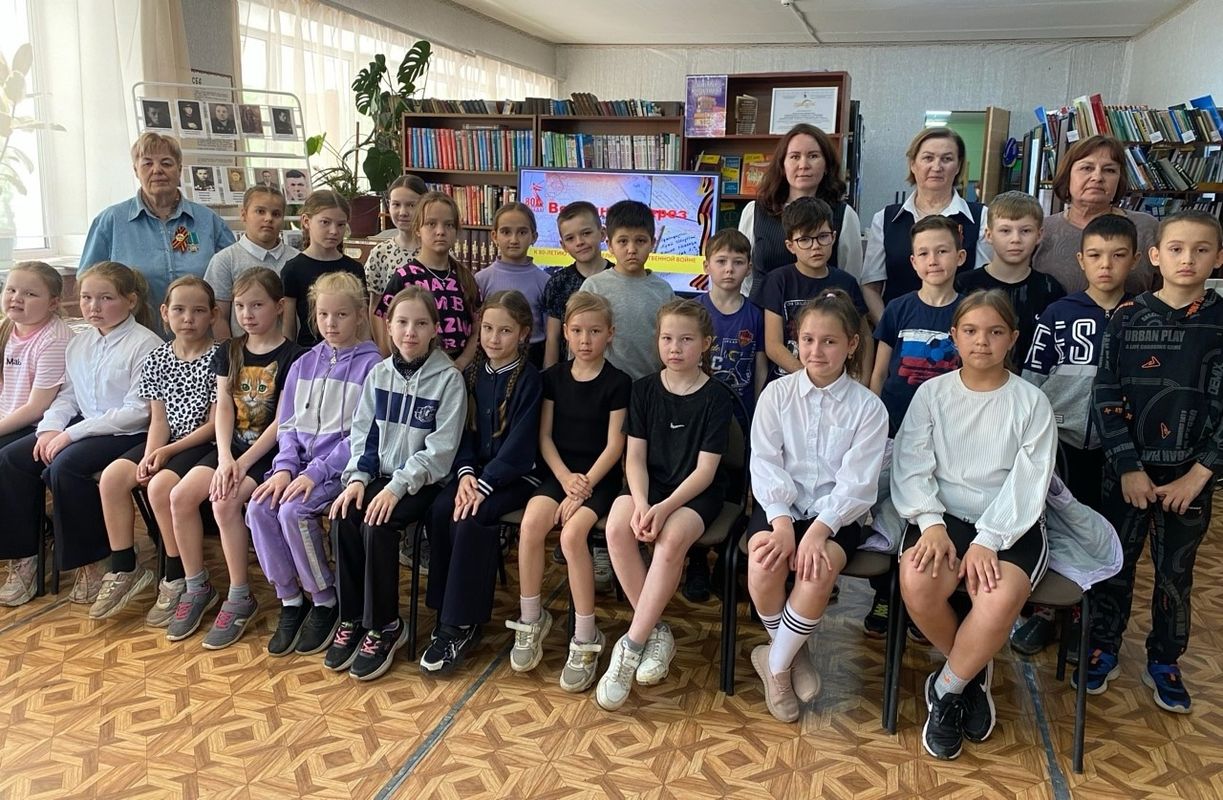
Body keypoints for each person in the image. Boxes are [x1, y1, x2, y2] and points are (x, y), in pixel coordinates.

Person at [891, 289, 1057, 761]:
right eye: (970, 331)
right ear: (954, 336)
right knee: (918, 582)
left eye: (995, 331)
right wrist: (930, 524)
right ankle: (972, 671)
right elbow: (911, 463)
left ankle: (946, 689)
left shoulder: (1031, 402)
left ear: (1013, 339)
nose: (982, 341)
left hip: (1009, 521)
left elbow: (1029, 481)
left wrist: (989, 540)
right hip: (942, 515)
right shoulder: (932, 394)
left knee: (998, 596)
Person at [1079, 211, 1223, 714]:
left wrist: (1199, 474)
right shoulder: (1127, 317)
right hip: (1126, 473)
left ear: (1218, 258)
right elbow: (1105, 393)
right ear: (1156, 256)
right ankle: (1103, 645)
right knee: (1114, 563)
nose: (1188, 259)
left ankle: (1164, 659)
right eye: (1177, 248)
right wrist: (1128, 467)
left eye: (1201, 250)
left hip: (1192, 478)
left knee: (1174, 574)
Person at [747, 290, 888, 722]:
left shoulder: (869, 408)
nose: (816, 351)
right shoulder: (777, 394)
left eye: (829, 341)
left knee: (817, 567)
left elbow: (858, 482)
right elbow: (765, 462)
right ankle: (793, 650)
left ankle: (775, 665)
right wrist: (782, 522)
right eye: (807, 340)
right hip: (781, 506)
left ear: (852, 344)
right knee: (763, 562)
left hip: (839, 513)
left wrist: (819, 529)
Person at [596, 299, 733, 711]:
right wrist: (642, 503)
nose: (675, 348)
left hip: (694, 493)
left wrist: (665, 507)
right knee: (617, 526)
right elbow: (634, 458)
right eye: (667, 338)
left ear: (705, 343)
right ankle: (657, 631)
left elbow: (706, 471)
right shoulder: (643, 389)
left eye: (686, 339)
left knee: (671, 540)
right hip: (649, 487)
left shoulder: (717, 396)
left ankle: (631, 645)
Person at [1009, 213, 1137, 656]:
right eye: (1096, 256)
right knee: (1055, 525)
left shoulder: (1141, 315)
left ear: (1136, 260)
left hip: (1118, 447)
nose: (1106, 265)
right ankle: (1045, 614)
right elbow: (1033, 379)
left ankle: (1092, 619)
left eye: (1118, 256)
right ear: (1081, 260)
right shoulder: (1059, 313)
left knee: (1105, 530)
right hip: (1061, 442)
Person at [0, 262, 161, 607]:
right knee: (12, 458)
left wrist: (70, 435)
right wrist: (50, 428)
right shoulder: (81, 343)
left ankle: (96, 561)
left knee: (65, 467)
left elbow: (138, 411)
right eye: (87, 298)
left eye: (106, 298)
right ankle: (26, 554)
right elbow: (68, 396)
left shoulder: (145, 344)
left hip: (129, 434)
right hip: (88, 428)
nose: (93, 307)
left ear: (131, 301)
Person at [327, 286, 466, 681]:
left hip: (423, 483)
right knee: (344, 515)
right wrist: (358, 479)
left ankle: (386, 625)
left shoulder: (448, 380)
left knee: (377, 524)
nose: (410, 332)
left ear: (435, 329)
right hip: (379, 475)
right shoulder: (379, 375)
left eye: (420, 324)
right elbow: (363, 434)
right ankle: (352, 618)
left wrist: (397, 487)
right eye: (402, 322)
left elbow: (440, 452)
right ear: (388, 326)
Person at [165, 268, 305, 647]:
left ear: (279, 306)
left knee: (224, 502)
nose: (246, 314)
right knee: (179, 497)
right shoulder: (229, 350)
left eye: (257, 305)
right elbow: (224, 406)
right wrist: (226, 456)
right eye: (240, 306)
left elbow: (283, 421)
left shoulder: (295, 357)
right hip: (231, 449)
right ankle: (197, 586)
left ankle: (240, 595)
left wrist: (241, 464)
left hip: (269, 454)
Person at [246, 272, 381, 657]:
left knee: (293, 511)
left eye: (341, 315)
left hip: (338, 469)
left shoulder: (372, 366)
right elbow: (287, 425)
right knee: (258, 507)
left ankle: (324, 598)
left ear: (360, 315)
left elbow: (361, 435)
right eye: (323, 315)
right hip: (297, 467)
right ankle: (291, 599)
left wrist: (314, 473)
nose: (331, 323)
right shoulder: (304, 363)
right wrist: (285, 468)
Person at [508, 291, 630, 691]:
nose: (584, 340)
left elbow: (614, 446)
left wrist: (583, 487)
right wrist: (564, 480)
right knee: (531, 525)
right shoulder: (552, 379)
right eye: (577, 331)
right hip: (560, 473)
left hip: (599, 479)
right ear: (565, 333)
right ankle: (531, 618)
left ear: (610, 334)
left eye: (594, 332)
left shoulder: (618, 383)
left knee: (574, 534)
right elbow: (544, 437)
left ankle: (585, 635)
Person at [421, 290, 542, 675]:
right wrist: (466, 474)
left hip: (516, 477)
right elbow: (460, 434)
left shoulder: (531, 380)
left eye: (504, 331)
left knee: (470, 517)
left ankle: (461, 624)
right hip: (475, 475)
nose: (493, 338)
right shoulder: (470, 375)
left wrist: (484, 484)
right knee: (441, 508)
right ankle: (444, 610)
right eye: (487, 329)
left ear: (523, 333)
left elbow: (522, 446)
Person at [89, 276, 219, 620]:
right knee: (113, 477)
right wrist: (150, 454)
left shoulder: (221, 357)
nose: (188, 318)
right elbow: (158, 420)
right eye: (179, 310)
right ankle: (125, 567)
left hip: (203, 442)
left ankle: (177, 575)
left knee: (159, 486)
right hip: (167, 441)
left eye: (198, 311)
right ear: (164, 313)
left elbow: (213, 425)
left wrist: (167, 453)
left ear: (213, 315)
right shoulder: (158, 357)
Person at [861, 215, 966, 637]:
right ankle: (885, 594)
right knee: (888, 513)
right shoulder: (898, 308)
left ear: (960, 257)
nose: (933, 260)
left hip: (949, 436)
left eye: (942, 251)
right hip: (895, 428)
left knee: (933, 515)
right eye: (924, 253)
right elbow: (879, 371)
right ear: (913, 261)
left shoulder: (969, 310)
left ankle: (927, 602)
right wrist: (873, 422)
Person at [79, 132, 235, 335]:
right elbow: (87, 282)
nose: (157, 170)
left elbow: (235, 277)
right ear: (136, 170)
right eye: (147, 164)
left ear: (180, 169)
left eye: (166, 163)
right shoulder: (111, 221)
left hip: (201, 342)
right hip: (133, 342)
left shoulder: (208, 221)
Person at [688, 228, 766, 603]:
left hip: (742, 416)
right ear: (707, 266)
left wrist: (760, 412)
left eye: (738, 262)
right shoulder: (695, 311)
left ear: (749, 267)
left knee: (736, 488)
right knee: (700, 485)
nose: (729, 269)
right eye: (721, 261)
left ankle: (726, 564)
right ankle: (697, 561)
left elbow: (761, 367)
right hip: (702, 418)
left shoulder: (755, 314)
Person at [861, 127, 992, 319]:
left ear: (958, 166)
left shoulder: (981, 217)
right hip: (898, 329)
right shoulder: (885, 219)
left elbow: (983, 286)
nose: (937, 167)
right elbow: (871, 287)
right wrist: (889, 328)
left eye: (947, 159)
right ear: (913, 164)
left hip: (958, 330)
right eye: (928, 158)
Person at [738, 123, 863, 299]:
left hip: (821, 313)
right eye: (795, 157)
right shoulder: (755, 211)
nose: (803, 165)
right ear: (783, 165)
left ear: (827, 165)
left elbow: (850, 278)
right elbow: (743, 277)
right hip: (762, 311)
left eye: (813, 156)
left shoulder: (844, 215)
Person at [759, 196, 872, 382]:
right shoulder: (777, 281)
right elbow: (773, 344)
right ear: (790, 246)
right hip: (789, 383)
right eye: (804, 239)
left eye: (822, 237)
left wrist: (863, 384)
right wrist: (809, 378)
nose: (815, 246)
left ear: (833, 237)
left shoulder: (846, 282)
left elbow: (864, 338)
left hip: (837, 384)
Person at [1032, 135, 1159, 295]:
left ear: (1120, 180)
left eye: (1109, 170)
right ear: (1067, 175)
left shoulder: (1146, 228)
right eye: (1087, 168)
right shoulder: (1040, 231)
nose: (1097, 177)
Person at [956, 192, 1065, 370]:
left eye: (1025, 231)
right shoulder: (964, 285)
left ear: (1039, 235)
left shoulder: (1050, 289)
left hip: (1031, 382)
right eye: (1005, 231)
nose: (1016, 239)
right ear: (989, 235)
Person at [376, 191, 481, 369]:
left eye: (449, 225)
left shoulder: (465, 278)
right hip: (414, 369)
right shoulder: (404, 277)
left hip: (457, 369)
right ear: (417, 229)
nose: (440, 231)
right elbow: (387, 329)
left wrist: (461, 364)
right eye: (431, 224)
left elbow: (477, 328)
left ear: (456, 231)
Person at [580, 200, 675, 380]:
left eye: (640, 241)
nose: (632, 249)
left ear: (653, 243)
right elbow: (579, 340)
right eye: (623, 241)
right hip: (604, 385)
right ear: (609, 245)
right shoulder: (593, 287)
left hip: (650, 384)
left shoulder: (663, 291)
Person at [204, 186, 298, 339]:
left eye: (276, 214)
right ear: (243, 214)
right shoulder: (225, 260)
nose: (268, 219)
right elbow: (219, 317)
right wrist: (229, 351)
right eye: (260, 211)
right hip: (242, 350)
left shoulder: (296, 259)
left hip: (291, 350)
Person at [0, 262, 72, 450]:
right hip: (7, 417)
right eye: (11, 290)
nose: (16, 298)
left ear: (53, 303)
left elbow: (37, 408)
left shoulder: (55, 339)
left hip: (35, 425)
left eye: (30, 294)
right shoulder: (5, 327)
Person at [280, 190, 365, 347]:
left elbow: (362, 322)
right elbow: (288, 327)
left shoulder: (354, 269)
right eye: (325, 222)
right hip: (308, 352)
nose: (334, 231)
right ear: (306, 221)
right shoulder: (293, 269)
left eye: (341, 225)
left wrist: (367, 353)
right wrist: (289, 357)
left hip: (349, 354)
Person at [477, 203, 550, 367]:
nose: (514, 240)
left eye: (522, 232)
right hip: (491, 355)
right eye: (506, 232)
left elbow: (550, 334)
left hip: (532, 358)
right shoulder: (481, 279)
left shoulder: (544, 281)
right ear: (494, 236)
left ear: (534, 237)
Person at [541, 201, 610, 368]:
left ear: (602, 234)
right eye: (570, 238)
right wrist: (549, 377)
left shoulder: (618, 278)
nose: (579, 242)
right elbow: (553, 338)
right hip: (570, 373)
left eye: (586, 233)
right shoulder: (558, 283)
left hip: (611, 373)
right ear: (563, 246)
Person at [365, 175, 427, 329]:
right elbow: (375, 307)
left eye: (411, 205)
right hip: (392, 336)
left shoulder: (436, 251)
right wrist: (381, 343)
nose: (403, 212)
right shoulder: (380, 253)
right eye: (396, 204)